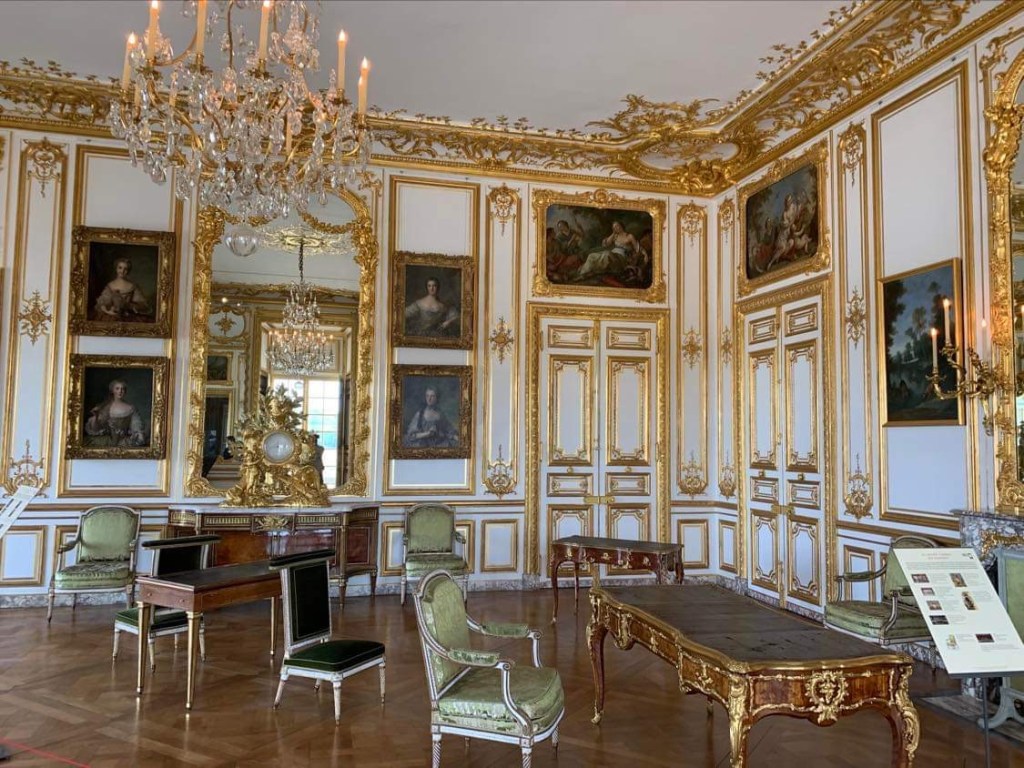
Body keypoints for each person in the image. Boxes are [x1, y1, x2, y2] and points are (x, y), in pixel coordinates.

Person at [84, 378, 147, 448]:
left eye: (122, 389)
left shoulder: (130, 408)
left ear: (125, 391)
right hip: (106, 442)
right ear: (112, 391)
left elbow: (136, 426)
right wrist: (96, 416)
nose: (120, 391)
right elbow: (96, 429)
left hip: (123, 442)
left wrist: (138, 434)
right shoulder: (105, 407)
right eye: (117, 388)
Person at [575, 221, 643, 281]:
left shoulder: (629, 236)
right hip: (612, 253)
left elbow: (637, 248)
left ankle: (595, 269)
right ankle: (582, 274)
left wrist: (635, 258)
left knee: (607, 254)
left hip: (621, 257)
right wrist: (613, 234)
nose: (616, 228)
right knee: (591, 255)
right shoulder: (615, 236)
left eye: (617, 226)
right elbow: (606, 244)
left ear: (621, 226)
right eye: (614, 227)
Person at [92, 257, 151, 322]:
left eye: (125, 269)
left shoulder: (133, 286)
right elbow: (102, 303)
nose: (122, 271)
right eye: (120, 268)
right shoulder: (110, 286)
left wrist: (128, 305)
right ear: (116, 268)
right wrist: (109, 311)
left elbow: (143, 305)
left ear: (128, 271)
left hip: (129, 316)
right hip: (111, 316)